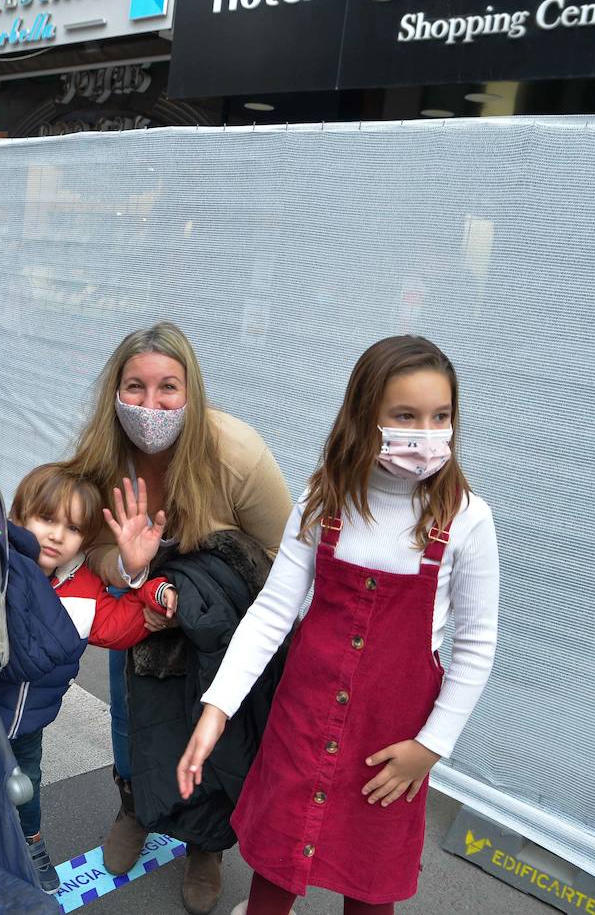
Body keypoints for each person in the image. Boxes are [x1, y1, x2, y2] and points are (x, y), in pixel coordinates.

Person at [176, 337, 500, 915]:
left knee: (369, 880)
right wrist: (217, 707)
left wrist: (430, 748)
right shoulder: (324, 499)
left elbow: (476, 645)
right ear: (365, 416)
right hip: (302, 718)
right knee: (276, 863)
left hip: (391, 740)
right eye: (406, 416)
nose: (427, 432)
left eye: (441, 416)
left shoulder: (467, 519)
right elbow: (274, 612)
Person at [63, 321, 292, 914]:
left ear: (192, 391)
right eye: (135, 387)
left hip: (222, 619)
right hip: (142, 613)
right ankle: (135, 805)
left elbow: (285, 555)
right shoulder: (101, 455)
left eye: (168, 387)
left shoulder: (235, 452)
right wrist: (135, 576)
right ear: (115, 392)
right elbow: (88, 544)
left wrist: (202, 596)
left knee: (213, 729)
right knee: (133, 717)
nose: (151, 403)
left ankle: (206, 845)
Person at [2, 462, 177, 891]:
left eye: (73, 528)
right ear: (17, 518)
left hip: (30, 722)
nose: (57, 535)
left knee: (27, 784)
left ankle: (30, 841)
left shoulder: (83, 587)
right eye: (45, 519)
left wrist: (153, 596)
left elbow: (118, 626)